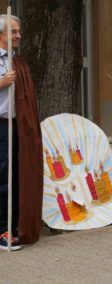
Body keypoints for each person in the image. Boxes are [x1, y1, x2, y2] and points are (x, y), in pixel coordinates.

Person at [0, 14, 43, 250]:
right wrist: (2, 82)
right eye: (14, 32)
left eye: (19, 31)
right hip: (1, 126)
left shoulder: (17, 61)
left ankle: (17, 225)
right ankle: (1, 230)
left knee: (19, 176)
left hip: (18, 126)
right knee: (3, 178)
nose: (19, 36)